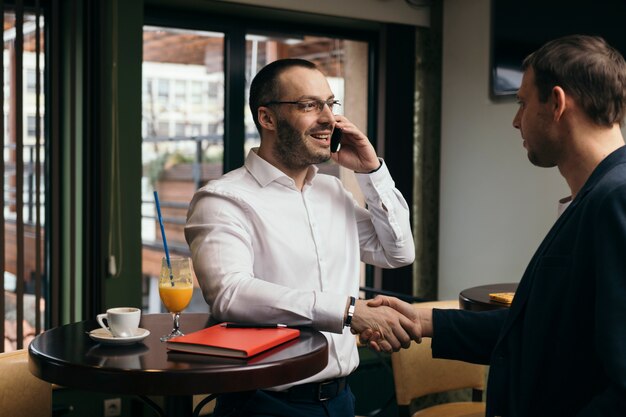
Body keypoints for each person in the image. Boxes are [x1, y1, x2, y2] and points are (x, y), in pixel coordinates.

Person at [367, 34, 626, 416]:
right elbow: (540, 328)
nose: (516, 120)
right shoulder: (596, 195)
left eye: (522, 103)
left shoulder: (615, 198)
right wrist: (420, 320)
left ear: (556, 103)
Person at [185, 58, 420, 417]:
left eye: (331, 103)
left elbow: (398, 252)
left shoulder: (334, 192)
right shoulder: (222, 198)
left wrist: (373, 172)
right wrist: (347, 312)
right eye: (309, 105)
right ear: (267, 118)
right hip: (265, 404)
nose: (329, 118)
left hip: (342, 400)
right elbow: (231, 293)